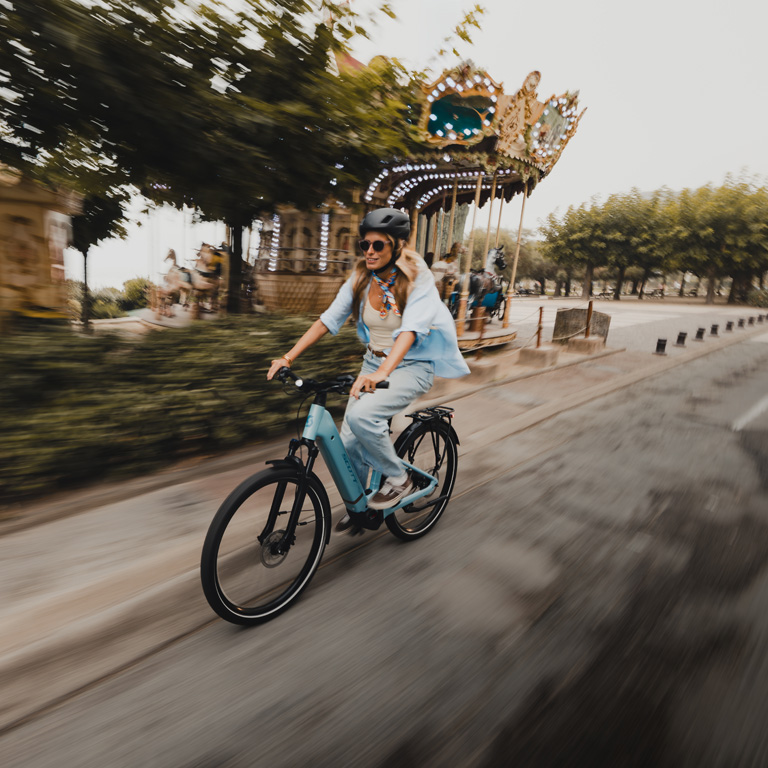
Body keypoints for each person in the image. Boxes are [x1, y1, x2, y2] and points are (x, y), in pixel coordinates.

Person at [267, 207, 469, 530]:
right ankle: (361, 506)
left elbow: (410, 331)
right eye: (365, 245)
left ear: (396, 246)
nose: (370, 251)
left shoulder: (418, 276)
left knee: (362, 418)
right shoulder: (362, 275)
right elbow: (328, 319)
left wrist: (382, 373)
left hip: (411, 366)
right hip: (372, 362)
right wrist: (288, 357)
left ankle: (399, 479)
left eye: (379, 245)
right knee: (345, 444)